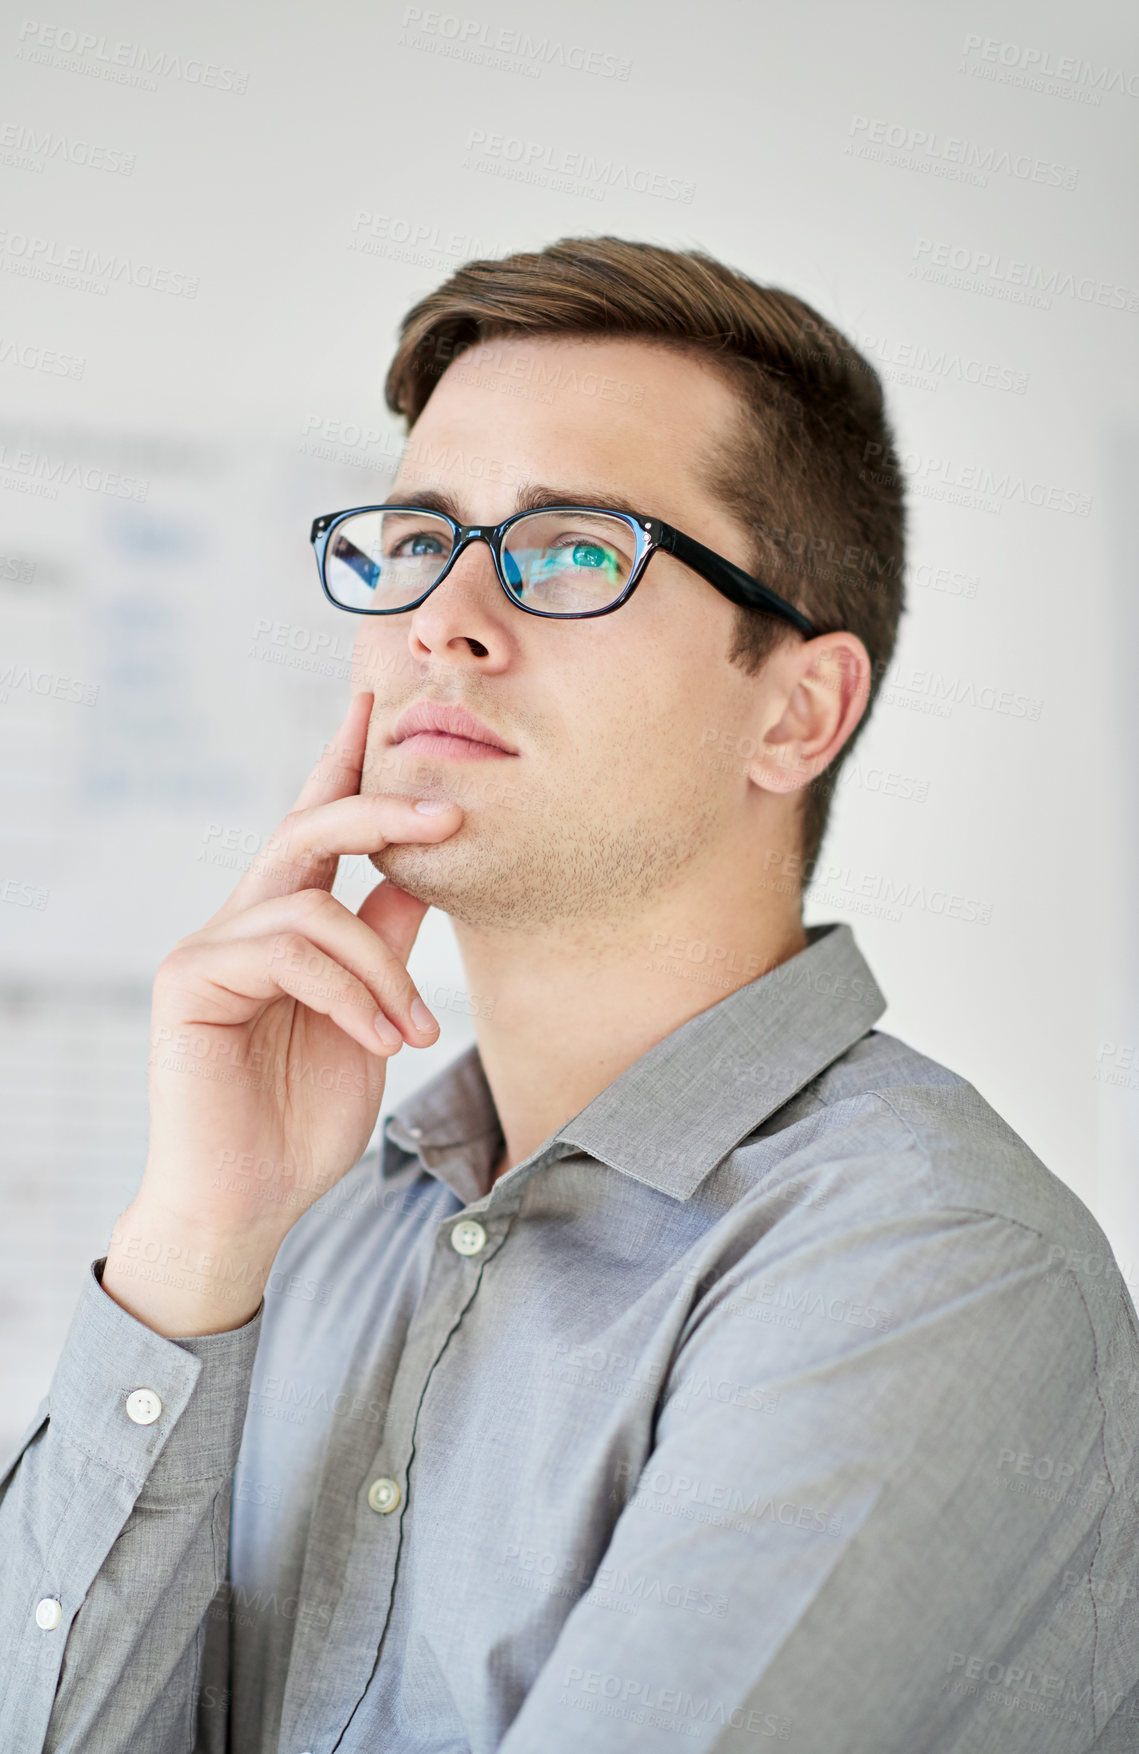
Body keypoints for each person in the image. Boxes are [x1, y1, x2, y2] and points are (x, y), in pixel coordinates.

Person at [2, 236, 1137, 1754]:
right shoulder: (323, 1228)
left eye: (575, 549)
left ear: (798, 710)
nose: (442, 620)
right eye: (418, 540)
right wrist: (195, 1242)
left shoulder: (926, 1261)